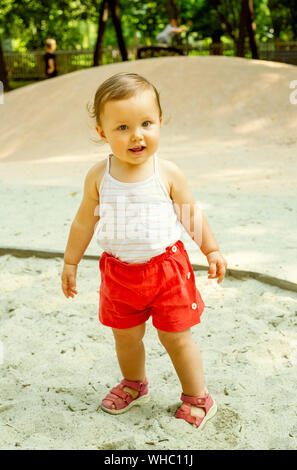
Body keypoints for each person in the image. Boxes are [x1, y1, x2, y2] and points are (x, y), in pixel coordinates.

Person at [61, 72, 227, 429]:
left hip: (166, 270)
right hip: (119, 273)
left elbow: (190, 214)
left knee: (176, 336)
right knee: (126, 336)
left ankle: (198, 396)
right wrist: (71, 261)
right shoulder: (98, 176)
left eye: (146, 123)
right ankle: (135, 384)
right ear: (102, 132)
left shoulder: (166, 172)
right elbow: (83, 223)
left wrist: (211, 250)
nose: (137, 135)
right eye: (122, 127)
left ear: (160, 123)